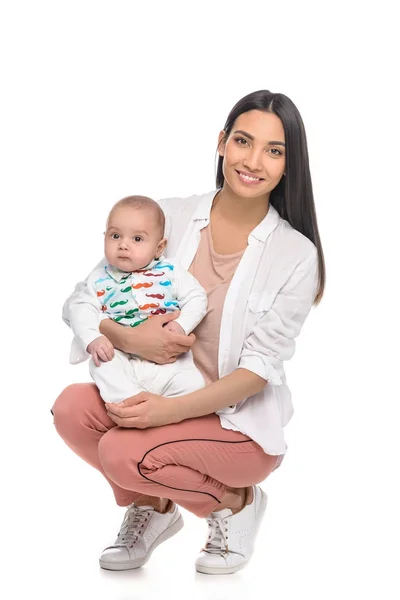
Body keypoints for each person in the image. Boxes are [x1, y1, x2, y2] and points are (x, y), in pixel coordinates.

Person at [52, 89, 325, 576]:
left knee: (119, 450)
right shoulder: (166, 217)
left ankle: (236, 502)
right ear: (222, 143)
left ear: (289, 164)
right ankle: (154, 509)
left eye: (274, 150)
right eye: (243, 141)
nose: (254, 160)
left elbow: (258, 370)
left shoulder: (296, 254)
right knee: (72, 408)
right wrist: (135, 340)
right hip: (148, 387)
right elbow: (82, 299)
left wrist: (168, 411)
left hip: (232, 425)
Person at [68, 195, 207, 404]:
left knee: (193, 383)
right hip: (121, 356)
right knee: (103, 366)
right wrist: (92, 339)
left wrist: (181, 325)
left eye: (137, 239)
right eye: (115, 236)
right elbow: (78, 308)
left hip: (169, 362)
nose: (123, 245)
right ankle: (129, 404)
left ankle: (167, 411)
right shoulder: (99, 278)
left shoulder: (171, 271)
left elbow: (197, 297)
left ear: (159, 248)